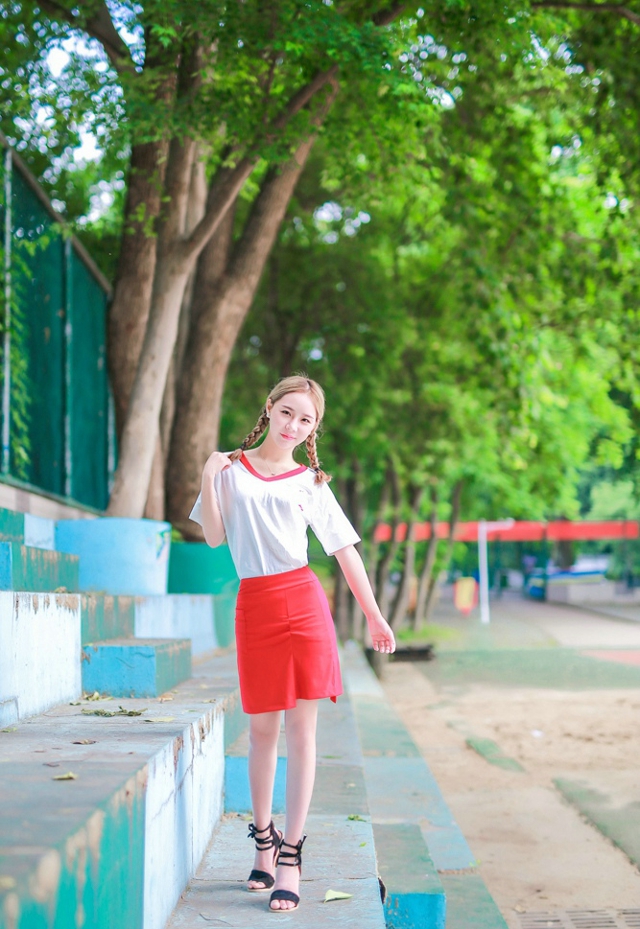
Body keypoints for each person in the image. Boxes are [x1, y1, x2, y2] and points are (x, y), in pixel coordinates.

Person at [189, 375, 395, 912]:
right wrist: (209, 475)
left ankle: (291, 856)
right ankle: (263, 843)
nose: (293, 426)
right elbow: (214, 537)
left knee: (303, 732)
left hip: (303, 605)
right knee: (262, 731)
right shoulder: (231, 469)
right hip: (255, 605)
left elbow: (346, 551)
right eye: (287, 413)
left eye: (305, 420)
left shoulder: (311, 482)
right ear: (270, 409)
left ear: (312, 430)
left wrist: (374, 616)